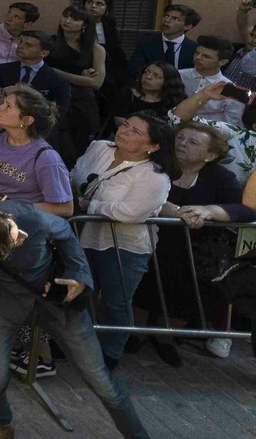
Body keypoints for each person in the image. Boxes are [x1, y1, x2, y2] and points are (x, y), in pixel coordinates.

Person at [0, 201, 153, 439]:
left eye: (14, 228)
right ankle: (1, 424)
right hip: (2, 302)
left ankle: (138, 436)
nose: (23, 235)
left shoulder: (25, 216)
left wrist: (79, 275)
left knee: (102, 382)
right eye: (14, 239)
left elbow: (65, 232)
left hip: (57, 303)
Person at [138, 121, 255, 364]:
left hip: (193, 248)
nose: (182, 144)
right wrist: (171, 209)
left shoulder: (220, 176)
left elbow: (244, 210)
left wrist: (208, 211)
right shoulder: (156, 165)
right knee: (141, 284)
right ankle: (134, 333)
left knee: (188, 288)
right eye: (181, 138)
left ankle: (166, 337)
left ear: (210, 154)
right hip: (149, 241)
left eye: (193, 142)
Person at [71, 114, 174, 368]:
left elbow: (129, 213)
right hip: (82, 235)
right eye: (126, 125)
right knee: (78, 293)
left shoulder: (155, 176)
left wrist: (88, 205)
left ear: (153, 145)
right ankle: (73, 344)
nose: (125, 131)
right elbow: (74, 175)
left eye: (136, 132)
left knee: (116, 301)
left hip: (125, 246)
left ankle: (110, 354)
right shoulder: (99, 148)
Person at [0, 85, 74, 216]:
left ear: (27, 120)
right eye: (3, 103)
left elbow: (65, 208)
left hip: (18, 222)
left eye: (8, 106)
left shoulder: (46, 158)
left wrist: (11, 207)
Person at [45, 5, 106, 155]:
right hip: (53, 101)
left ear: (84, 25)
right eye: (65, 16)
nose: (67, 21)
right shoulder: (49, 43)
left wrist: (56, 72)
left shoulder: (95, 49)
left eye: (75, 19)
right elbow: (41, 72)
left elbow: (96, 83)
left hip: (82, 104)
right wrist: (80, 77)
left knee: (78, 151)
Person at [0, 31, 70, 117]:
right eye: (20, 42)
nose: (20, 46)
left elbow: (59, 112)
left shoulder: (57, 79)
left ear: (44, 53)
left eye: (29, 45)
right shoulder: (4, 69)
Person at [179, 34, 240, 123]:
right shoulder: (178, 75)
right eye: (197, 53)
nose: (198, 58)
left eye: (206, 56)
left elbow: (232, 125)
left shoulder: (231, 90)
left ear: (223, 62)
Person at [108, 61, 187, 128]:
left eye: (156, 76)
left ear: (168, 82)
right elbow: (119, 121)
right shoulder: (128, 93)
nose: (148, 77)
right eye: (146, 72)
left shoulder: (174, 99)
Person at [129, 3, 199, 77]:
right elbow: (134, 69)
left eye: (175, 19)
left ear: (187, 26)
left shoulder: (194, 48)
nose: (167, 20)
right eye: (166, 16)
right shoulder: (146, 42)